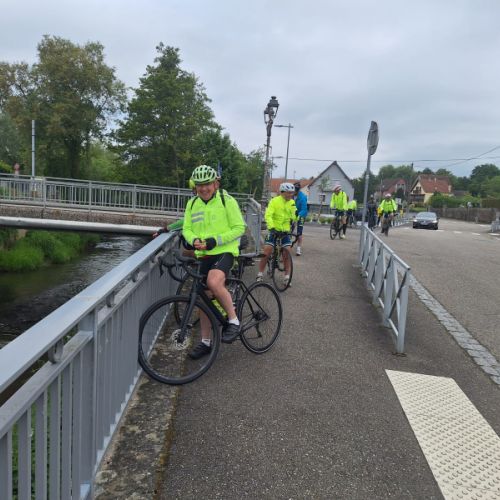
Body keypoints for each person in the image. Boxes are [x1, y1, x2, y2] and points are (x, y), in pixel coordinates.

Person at [182, 164, 246, 359]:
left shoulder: (227, 201)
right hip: (204, 254)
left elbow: (239, 228)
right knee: (205, 299)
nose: (203, 188)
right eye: (199, 185)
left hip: (225, 251)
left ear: (215, 184)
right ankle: (205, 342)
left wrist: (215, 241)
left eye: (207, 184)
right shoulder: (192, 204)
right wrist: (193, 240)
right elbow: (186, 228)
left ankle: (234, 321)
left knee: (213, 281)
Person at [256, 182, 297, 284]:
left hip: (285, 231)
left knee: (287, 252)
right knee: (267, 251)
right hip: (274, 230)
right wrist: (272, 227)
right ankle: (260, 274)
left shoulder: (292, 202)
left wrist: (297, 215)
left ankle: (287, 276)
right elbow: (268, 215)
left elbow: (294, 217)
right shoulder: (274, 201)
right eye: (289, 192)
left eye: (292, 193)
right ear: (282, 192)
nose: (291, 195)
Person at [293, 181, 308, 256]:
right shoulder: (290, 195)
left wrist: (298, 217)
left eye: (295, 191)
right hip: (293, 213)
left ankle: (298, 248)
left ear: (298, 190)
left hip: (301, 215)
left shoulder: (303, 197)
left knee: (299, 231)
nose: (293, 192)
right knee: (289, 229)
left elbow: (304, 209)